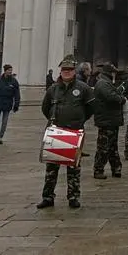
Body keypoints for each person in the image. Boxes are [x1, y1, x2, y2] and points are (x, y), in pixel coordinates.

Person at [38, 56, 94, 209]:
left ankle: (73, 196)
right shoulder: (53, 89)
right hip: (56, 131)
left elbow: (90, 108)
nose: (66, 72)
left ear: (74, 71)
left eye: (69, 70)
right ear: (60, 71)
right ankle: (48, 197)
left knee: (74, 168)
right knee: (51, 168)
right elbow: (45, 108)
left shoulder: (83, 88)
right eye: (64, 70)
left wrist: (78, 119)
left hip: (74, 132)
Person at [92, 63, 125, 179]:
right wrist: (122, 98)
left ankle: (116, 168)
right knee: (103, 147)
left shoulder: (107, 83)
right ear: (110, 73)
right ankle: (98, 169)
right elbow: (112, 98)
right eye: (114, 72)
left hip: (111, 120)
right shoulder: (103, 84)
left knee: (112, 147)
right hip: (106, 120)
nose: (115, 74)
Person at [0, 64, 20, 145]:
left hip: (7, 103)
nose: (10, 72)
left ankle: (0, 136)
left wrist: (16, 104)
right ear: (5, 71)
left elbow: (17, 94)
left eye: (11, 70)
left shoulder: (14, 81)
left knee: (4, 121)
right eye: (9, 70)